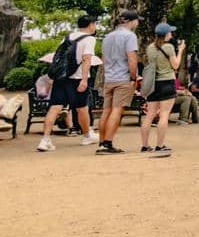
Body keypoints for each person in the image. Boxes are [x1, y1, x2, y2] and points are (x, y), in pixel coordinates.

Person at [37, 14, 99, 152]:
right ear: (90, 25)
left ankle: (45, 140)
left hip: (61, 78)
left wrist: (53, 78)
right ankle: (87, 135)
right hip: (76, 79)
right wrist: (84, 80)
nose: (95, 27)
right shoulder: (89, 39)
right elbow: (87, 59)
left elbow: (57, 58)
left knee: (54, 108)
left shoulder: (67, 37)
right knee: (82, 108)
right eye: (95, 24)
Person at [97, 10, 140, 154]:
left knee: (106, 111)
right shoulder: (130, 36)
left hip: (109, 78)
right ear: (131, 21)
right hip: (123, 78)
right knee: (117, 110)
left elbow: (103, 59)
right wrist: (133, 77)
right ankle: (108, 143)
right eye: (136, 20)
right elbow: (132, 58)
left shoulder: (108, 36)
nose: (137, 23)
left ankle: (102, 142)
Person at [139, 22, 184, 153]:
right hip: (167, 82)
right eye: (170, 32)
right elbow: (175, 65)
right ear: (166, 34)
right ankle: (160, 144)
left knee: (150, 115)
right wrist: (180, 50)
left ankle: (145, 145)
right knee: (164, 114)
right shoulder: (169, 47)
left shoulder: (150, 47)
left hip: (153, 83)